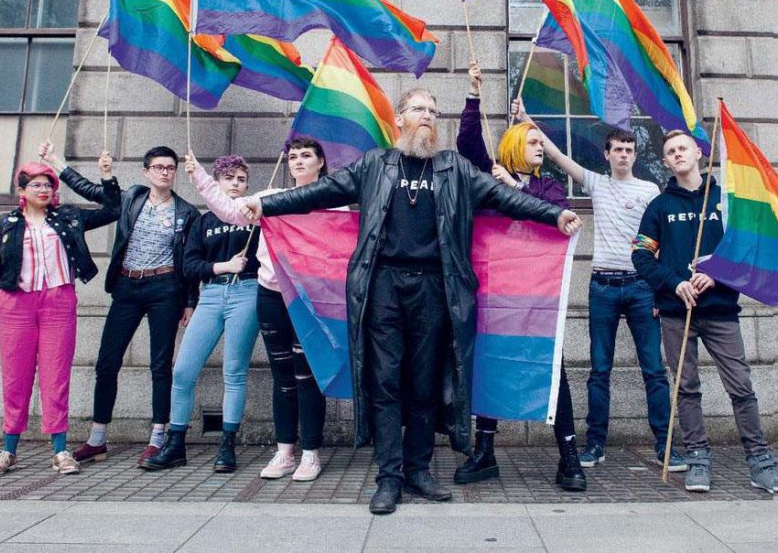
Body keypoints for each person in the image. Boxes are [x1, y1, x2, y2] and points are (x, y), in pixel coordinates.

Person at [239, 88, 581, 515]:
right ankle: (389, 477)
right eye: (419, 108)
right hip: (383, 286)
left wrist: (554, 214)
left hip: (435, 288)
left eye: (434, 110)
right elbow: (319, 193)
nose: (428, 116)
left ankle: (418, 470)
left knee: (424, 383)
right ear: (399, 119)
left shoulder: (454, 167)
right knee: (385, 382)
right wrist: (265, 205)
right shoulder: (375, 164)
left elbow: (503, 197)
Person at [513, 99, 680, 473]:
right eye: (618, 149)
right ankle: (595, 444)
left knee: (654, 370)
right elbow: (557, 156)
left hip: (641, 286)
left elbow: (661, 242)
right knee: (599, 370)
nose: (624, 155)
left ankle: (665, 445)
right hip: (602, 286)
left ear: (635, 155)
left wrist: (660, 291)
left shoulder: (650, 191)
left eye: (629, 150)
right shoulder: (597, 184)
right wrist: (526, 118)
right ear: (607, 154)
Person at [632, 130, 778, 494]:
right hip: (678, 312)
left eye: (683, 148)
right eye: (670, 151)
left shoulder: (726, 200)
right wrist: (675, 283)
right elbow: (640, 255)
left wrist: (718, 274)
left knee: (741, 387)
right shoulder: (659, 207)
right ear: (665, 161)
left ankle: (760, 461)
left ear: (699, 154)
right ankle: (698, 458)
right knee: (686, 388)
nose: (677, 154)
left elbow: (749, 247)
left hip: (721, 311)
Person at [453, 63, 585, 492]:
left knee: (551, 369)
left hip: (536, 300)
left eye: (541, 142)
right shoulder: (488, 176)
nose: (539, 147)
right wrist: (474, 94)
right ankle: (484, 451)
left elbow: (557, 219)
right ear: (512, 145)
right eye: (532, 141)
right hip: (494, 294)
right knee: (490, 365)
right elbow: (467, 143)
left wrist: (514, 185)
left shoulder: (549, 189)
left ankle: (568, 456)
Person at [41, 142, 200, 467]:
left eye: (170, 168)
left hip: (165, 288)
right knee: (107, 363)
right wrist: (56, 162)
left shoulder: (187, 213)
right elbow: (90, 190)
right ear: (146, 171)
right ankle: (97, 438)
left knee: (160, 365)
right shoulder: (130, 198)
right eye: (158, 167)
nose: (165, 172)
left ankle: (157, 439)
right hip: (127, 286)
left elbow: (189, 259)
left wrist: (189, 300)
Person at [184, 138, 331, 482]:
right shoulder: (270, 197)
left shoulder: (331, 199)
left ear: (321, 162)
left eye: (305, 155)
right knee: (283, 377)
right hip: (271, 295)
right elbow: (230, 210)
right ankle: (285, 452)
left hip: (310, 299)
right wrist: (200, 177)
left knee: (307, 375)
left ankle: (311, 454)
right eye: (292, 156)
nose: (297, 161)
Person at [0, 154, 120, 476]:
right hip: (16, 303)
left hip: (58, 301)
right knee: (15, 378)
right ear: (22, 190)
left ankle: (60, 451)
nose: (43, 189)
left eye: (48, 185)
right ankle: (8, 450)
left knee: (55, 376)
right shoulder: (5, 224)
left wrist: (104, 175)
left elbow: (113, 209)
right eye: (36, 185)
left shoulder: (68, 217)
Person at [139, 155, 261, 473]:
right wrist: (223, 266)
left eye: (241, 179)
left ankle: (227, 446)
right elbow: (189, 266)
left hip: (246, 293)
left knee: (234, 371)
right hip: (211, 295)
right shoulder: (203, 221)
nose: (235, 184)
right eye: (229, 178)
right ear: (216, 183)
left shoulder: (254, 216)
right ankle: (175, 444)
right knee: (182, 372)